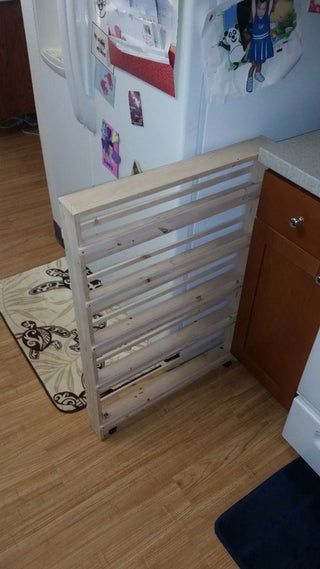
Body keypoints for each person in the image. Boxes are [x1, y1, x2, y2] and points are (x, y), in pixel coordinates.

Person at [246, 0, 274, 93]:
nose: (261, 11)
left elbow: (270, 6)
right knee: (253, 65)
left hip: (263, 47)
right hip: (256, 48)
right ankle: (249, 79)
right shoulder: (255, 19)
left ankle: (258, 73)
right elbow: (253, 5)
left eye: (263, 9)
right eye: (259, 8)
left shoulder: (267, 16)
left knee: (260, 63)